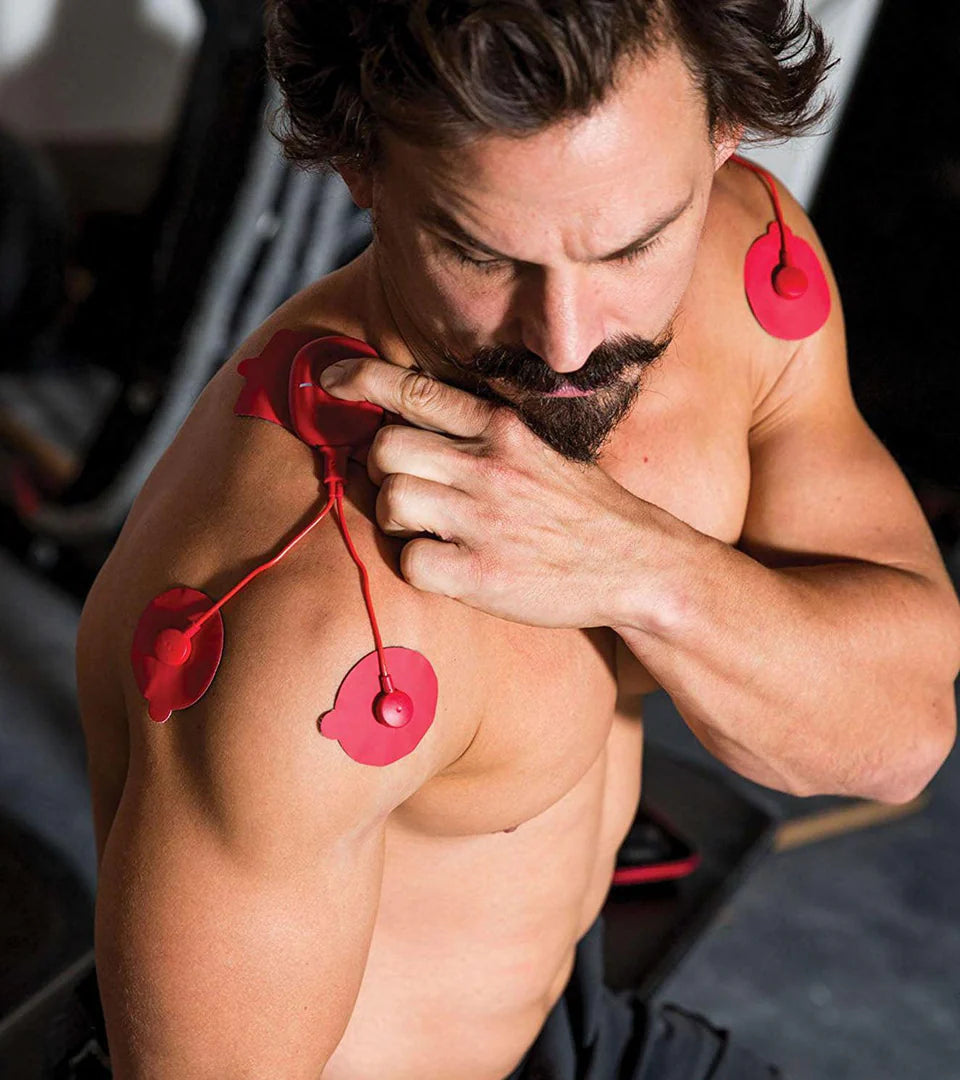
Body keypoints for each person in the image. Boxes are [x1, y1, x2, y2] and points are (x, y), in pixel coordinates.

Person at [75, 2, 960, 1077]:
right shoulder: (310, 621)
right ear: (360, 165)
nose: (570, 342)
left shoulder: (751, 265)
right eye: (479, 254)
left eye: (636, 243)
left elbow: (901, 735)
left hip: (571, 1026)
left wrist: (636, 567)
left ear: (728, 131)